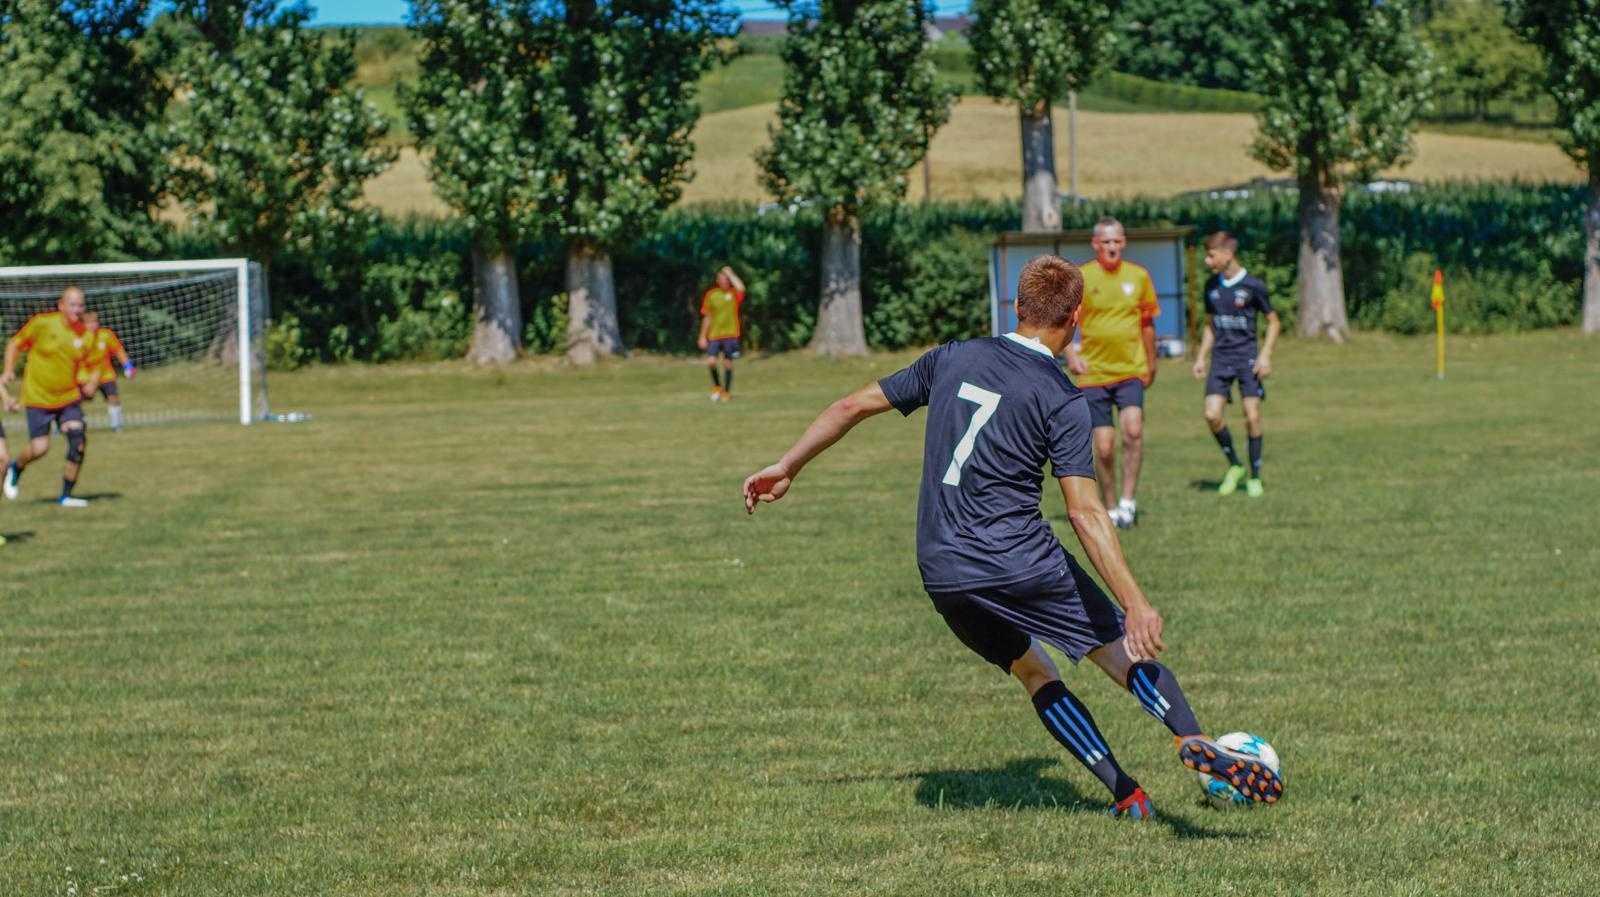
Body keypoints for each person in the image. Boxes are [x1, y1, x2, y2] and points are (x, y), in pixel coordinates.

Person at [742, 254, 1281, 817]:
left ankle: (1128, 794)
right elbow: (1086, 513)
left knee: (1033, 670)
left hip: (942, 569)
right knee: (1118, 653)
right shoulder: (1062, 396)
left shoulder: (953, 356)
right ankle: (1187, 735)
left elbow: (852, 404)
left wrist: (787, 466)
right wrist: (1136, 602)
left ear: (1016, 307)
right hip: (1019, 560)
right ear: (1076, 316)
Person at [1065, 217, 1160, 529]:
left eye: (1117, 240)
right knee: (1104, 447)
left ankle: (1128, 502)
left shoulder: (1139, 276)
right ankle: (1110, 506)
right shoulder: (1081, 276)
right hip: (1094, 374)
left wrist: (1151, 361)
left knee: (1133, 431)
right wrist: (1070, 355)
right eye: (1106, 241)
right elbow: (1065, 319)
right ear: (1095, 244)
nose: (1112, 247)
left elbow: (1147, 324)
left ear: (1124, 242)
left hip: (1130, 369)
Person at [1192, 232, 1279, 497]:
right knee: (1212, 415)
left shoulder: (1254, 286)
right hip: (1221, 358)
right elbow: (1210, 326)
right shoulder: (1211, 287)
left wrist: (1265, 355)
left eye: (1211, 255)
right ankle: (1235, 465)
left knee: (1252, 417)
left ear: (1227, 254)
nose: (1208, 261)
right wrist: (1200, 357)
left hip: (1247, 359)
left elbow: (1274, 322)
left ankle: (1254, 476)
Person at [2, 286, 101, 507]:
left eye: (81, 305)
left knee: (78, 440)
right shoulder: (42, 324)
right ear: (61, 305)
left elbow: (91, 366)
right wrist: (9, 369)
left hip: (68, 398)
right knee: (40, 447)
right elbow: (15, 344)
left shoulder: (85, 334)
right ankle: (16, 467)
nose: (77, 310)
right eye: (73, 305)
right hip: (39, 397)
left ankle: (66, 495)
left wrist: (91, 384)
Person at [80, 311, 135, 432]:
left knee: (113, 398)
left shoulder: (106, 335)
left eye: (94, 322)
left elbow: (118, 351)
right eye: (89, 322)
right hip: (86, 376)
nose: (92, 325)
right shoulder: (79, 337)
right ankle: (69, 424)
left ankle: (116, 425)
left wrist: (128, 366)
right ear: (83, 324)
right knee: (74, 400)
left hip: (105, 374)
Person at [697, 266, 745, 401]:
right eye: (723, 279)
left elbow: (741, 288)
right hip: (714, 335)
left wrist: (731, 273)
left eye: (727, 279)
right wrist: (702, 336)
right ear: (717, 280)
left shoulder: (733, 293)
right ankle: (717, 386)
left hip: (730, 334)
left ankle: (726, 392)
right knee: (711, 362)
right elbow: (707, 317)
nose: (725, 282)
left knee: (728, 364)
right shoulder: (711, 295)